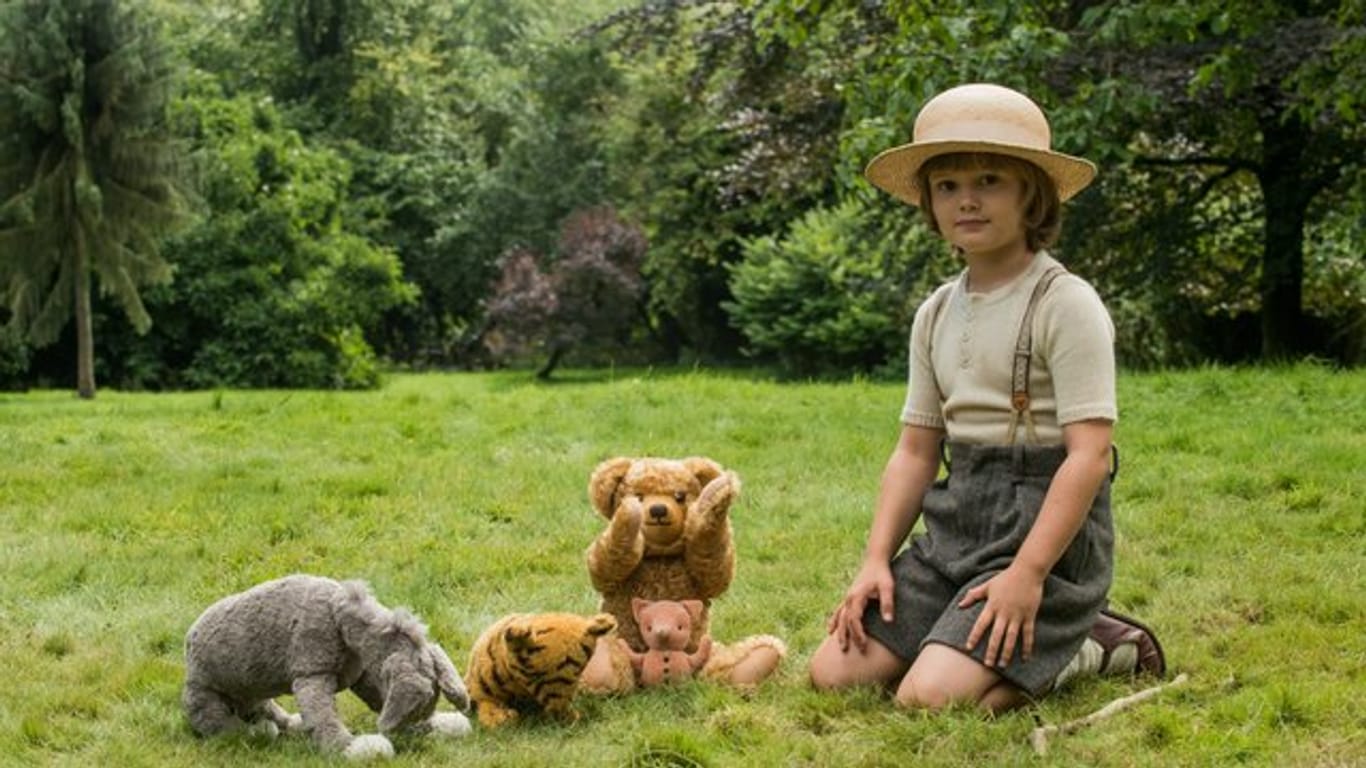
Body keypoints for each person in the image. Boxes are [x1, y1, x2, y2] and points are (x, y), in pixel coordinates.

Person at [807, 83, 1165, 712]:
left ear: (1033, 194)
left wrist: (1027, 576)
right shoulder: (937, 312)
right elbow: (917, 451)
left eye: (990, 180)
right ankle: (956, 634)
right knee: (834, 671)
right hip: (954, 532)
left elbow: (1088, 456)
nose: (966, 200)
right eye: (947, 186)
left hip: (1044, 541)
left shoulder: (1065, 303)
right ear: (930, 203)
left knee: (926, 698)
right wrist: (876, 561)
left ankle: (1094, 643)